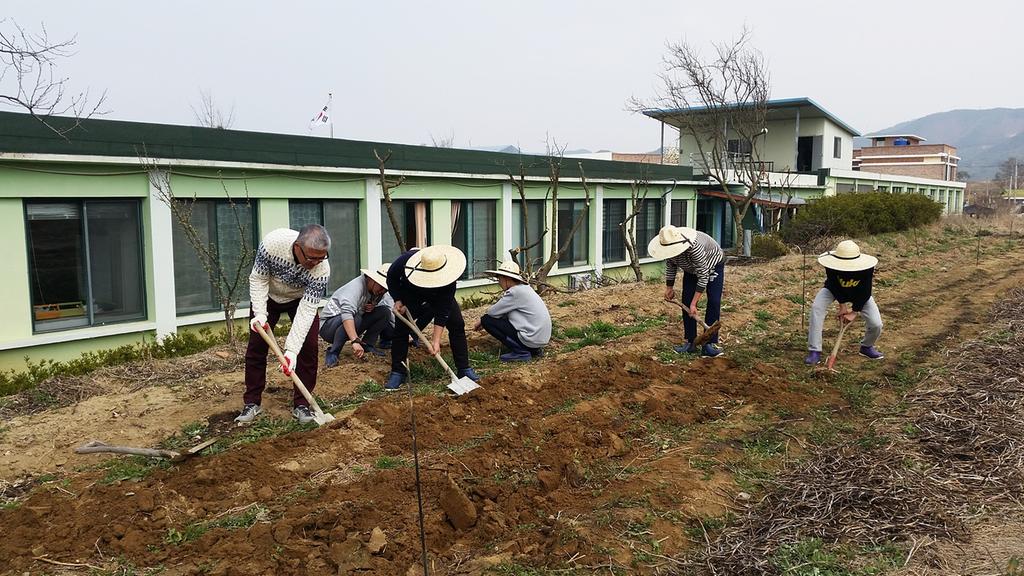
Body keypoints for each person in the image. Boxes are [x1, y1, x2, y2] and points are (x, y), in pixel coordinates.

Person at [235, 225, 331, 425]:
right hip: (268, 296)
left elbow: (307, 309)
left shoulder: (322, 269)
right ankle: (252, 402)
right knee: (256, 347)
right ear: (297, 247)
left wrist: (292, 351)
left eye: (321, 258)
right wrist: (260, 313)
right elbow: (258, 278)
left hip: (300, 300)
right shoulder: (272, 244)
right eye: (311, 258)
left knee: (309, 348)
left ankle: (302, 404)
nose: (315, 263)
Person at [384, 245, 480, 391]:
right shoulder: (404, 262)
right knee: (401, 330)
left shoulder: (449, 277)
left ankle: (463, 369)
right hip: (412, 293)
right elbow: (391, 278)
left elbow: (443, 310)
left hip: (438, 295)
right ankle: (398, 372)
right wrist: (397, 299)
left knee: (457, 324)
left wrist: (436, 341)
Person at [648, 225, 725, 357]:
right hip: (691, 269)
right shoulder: (669, 248)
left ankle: (709, 344)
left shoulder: (694, 248)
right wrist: (669, 287)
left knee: (713, 300)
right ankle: (691, 342)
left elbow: (703, 276)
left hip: (713, 264)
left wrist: (694, 304)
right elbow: (671, 266)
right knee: (686, 300)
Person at [805, 240, 884, 365]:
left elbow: (865, 291)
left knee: (876, 324)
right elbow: (833, 284)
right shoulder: (831, 265)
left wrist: (855, 311)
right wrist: (842, 305)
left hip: (860, 294)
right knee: (817, 308)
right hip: (833, 290)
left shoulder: (866, 268)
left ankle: (866, 347)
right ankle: (814, 350)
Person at [473, 259, 551, 361]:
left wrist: (481, 321)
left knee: (487, 320)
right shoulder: (525, 289)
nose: (499, 282)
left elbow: (492, 312)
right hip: (539, 339)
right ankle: (534, 350)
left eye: (499, 278)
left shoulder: (515, 292)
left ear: (506, 278)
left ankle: (521, 352)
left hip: (531, 338)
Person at [319, 264, 392, 367]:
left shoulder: (376, 291)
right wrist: (355, 341)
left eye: (386, 289)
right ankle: (333, 352)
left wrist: (371, 307)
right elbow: (347, 313)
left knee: (384, 312)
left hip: (351, 322)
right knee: (355, 317)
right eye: (382, 287)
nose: (383, 291)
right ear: (372, 280)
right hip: (328, 328)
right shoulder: (355, 287)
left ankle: (367, 345)